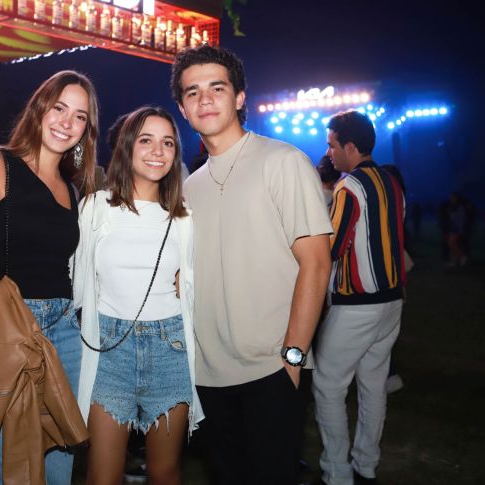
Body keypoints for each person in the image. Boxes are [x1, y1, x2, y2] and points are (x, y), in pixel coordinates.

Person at [171, 44, 333, 485]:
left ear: (240, 98)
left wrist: (293, 358)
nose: (204, 99)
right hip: (206, 374)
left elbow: (316, 263)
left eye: (216, 88)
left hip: (271, 368)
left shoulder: (283, 161)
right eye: (192, 92)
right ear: (183, 109)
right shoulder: (189, 187)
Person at [0, 70, 98, 485]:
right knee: (8, 468)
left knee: (59, 464)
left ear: (87, 129)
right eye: (59, 108)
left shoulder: (72, 187)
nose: (67, 122)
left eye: (80, 116)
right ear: (38, 108)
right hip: (6, 330)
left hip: (65, 334)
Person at [74, 106, 204, 485]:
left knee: (164, 473)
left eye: (167, 143)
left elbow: (189, 288)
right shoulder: (94, 208)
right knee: (103, 475)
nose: (157, 151)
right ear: (128, 147)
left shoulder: (183, 219)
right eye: (146, 140)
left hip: (170, 348)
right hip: (107, 351)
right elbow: (76, 287)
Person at [313, 110, 406, 485]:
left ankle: (336, 473)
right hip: (392, 301)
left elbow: (331, 248)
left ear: (350, 146)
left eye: (332, 145)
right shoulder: (391, 181)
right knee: (372, 384)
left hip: (358, 305)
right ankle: (366, 465)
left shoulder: (350, 186)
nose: (329, 152)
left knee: (327, 384)